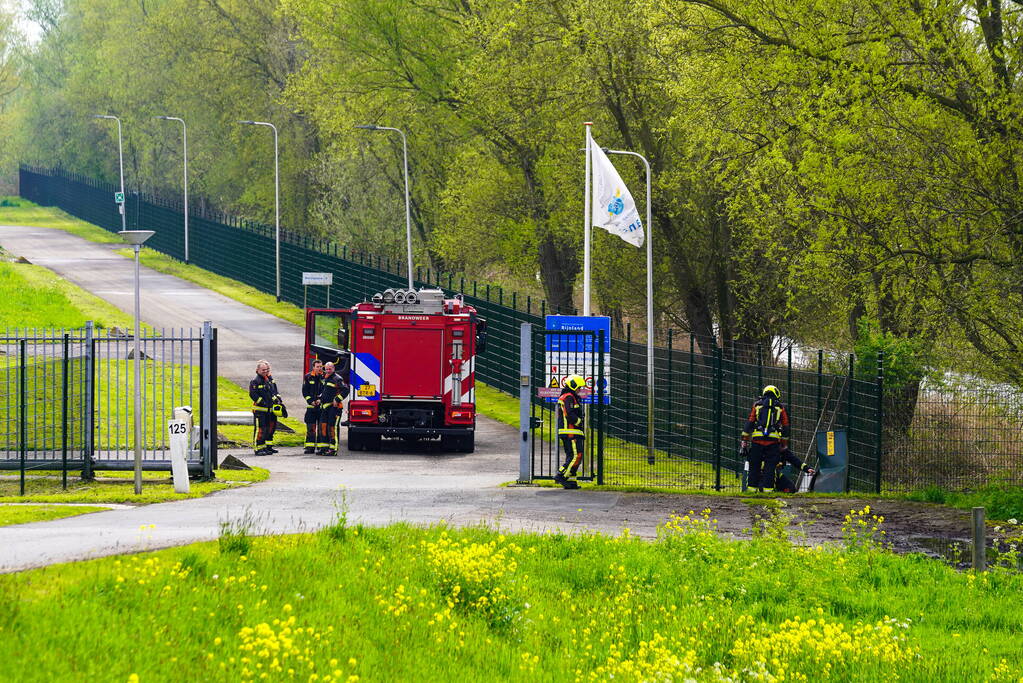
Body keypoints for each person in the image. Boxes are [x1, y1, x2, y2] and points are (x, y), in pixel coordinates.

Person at [740, 384, 812, 492]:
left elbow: (749, 422)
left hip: (757, 441)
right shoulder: (780, 407)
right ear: (776, 394)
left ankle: (751, 492)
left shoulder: (757, 405)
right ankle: (768, 493)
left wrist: (744, 441)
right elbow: (786, 426)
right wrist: (784, 443)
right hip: (773, 443)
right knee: (770, 470)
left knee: (753, 469)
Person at [553, 374, 586, 490]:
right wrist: (580, 422)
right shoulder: (568, 397)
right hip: (571, 432)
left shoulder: (571, 396)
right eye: (579, 387)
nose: (580, 390)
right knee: (577, 455)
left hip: (572, 432)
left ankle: (571, 482)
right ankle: (561, 475)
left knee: (572, 456)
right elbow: (569, 414)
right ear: (573, 385)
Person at [249, 360, 283, 456]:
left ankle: (265, 447)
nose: (265, 371)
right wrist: (263, 402)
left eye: (267, 369)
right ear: (258, 370)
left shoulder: (268, 380)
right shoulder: (255, 381)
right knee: (260, 430)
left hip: (269, 410)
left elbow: (273, 392)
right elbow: (253, 394)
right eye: (263, 370)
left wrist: (278, 400)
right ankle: (257, 448)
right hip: (260, 411)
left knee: (268, 429)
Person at [318, 361, 350, 456]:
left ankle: (333, 449)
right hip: (325, 407)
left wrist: (337, 399)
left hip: (334, 408)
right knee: (323, 427)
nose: (328, 371)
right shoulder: (325, 378)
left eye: (330, 369)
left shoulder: (337, 379)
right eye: (326, 369)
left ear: (333, 369)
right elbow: (325, 391)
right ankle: (324, 448)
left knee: (333, 428)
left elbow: (346, 390)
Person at [302, 359, 325, 454]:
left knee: (321, 428)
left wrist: (321, 400)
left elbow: (327, 391)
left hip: (321, 407)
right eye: (317, 367)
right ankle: (309, 447)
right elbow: (305, 391)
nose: (319, 369)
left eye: (321, 367)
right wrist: (310, 401)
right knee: (310, 428)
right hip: (311, 407)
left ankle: (320, 447)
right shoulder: (308, 377)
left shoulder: (325, 377)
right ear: (313, 367)